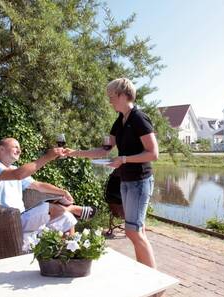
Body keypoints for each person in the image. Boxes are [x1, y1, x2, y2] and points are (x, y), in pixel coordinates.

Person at [65, 78, 158, 268]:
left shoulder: (139, 118)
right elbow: (104, 151)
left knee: (133, 232)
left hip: (140, 181)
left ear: (124, 95)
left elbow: (153, 153)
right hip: (126, 180)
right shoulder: (120, 121)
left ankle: (155, 288)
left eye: (112, 96)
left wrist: (123, 159)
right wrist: (73, 153)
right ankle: (145, 274)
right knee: (137, 231)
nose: (110, 101)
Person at [0, 137, 96, 238]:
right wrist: (47, 157)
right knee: (52, 208)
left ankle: (69, 257)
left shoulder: (14, 169)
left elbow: (38, 185)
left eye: (19, 147)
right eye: (15, 147)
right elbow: (18, 175)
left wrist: (63, 192)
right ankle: (72, 208)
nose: (19, 150)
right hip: (5, 220)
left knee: (66, 218)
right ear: (1, 149)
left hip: (21, 219)